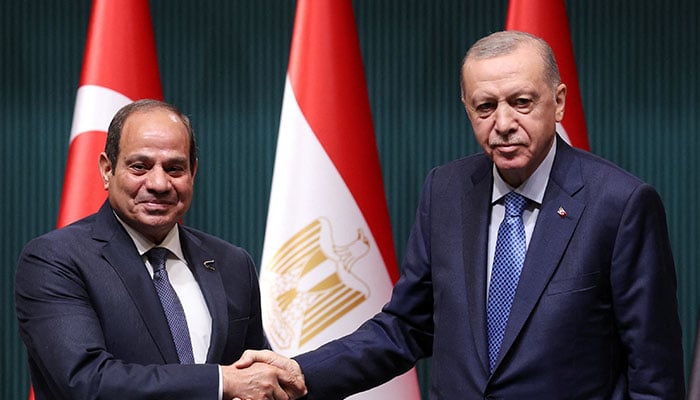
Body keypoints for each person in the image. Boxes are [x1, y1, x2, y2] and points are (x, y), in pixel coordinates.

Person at [238, 30, 686, 398]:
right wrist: (300, 372)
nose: (504, 122)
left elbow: (653, 374)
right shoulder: (447, 190)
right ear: (469, 110)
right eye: (486, 106)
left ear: (560, 101)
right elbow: (406, 327)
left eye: (522, 102)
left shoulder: (621, 203)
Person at [15, 100, 306, 400]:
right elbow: (86, 381)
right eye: (139, 166)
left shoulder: (232, 263)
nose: (158, 183)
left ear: (193, 172)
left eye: (175, 168)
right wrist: (220, 382)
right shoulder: (56, 260)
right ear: (107, 169)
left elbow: (256, 378)